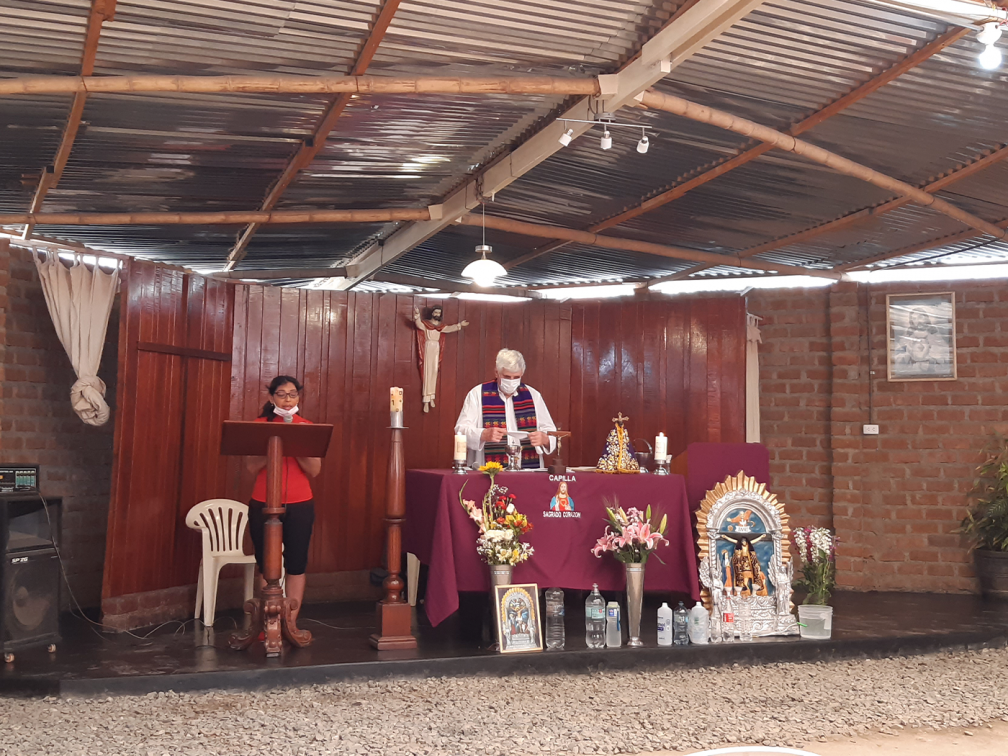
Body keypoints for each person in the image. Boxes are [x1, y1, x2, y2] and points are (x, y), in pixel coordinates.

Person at [245, 375, 321, 623]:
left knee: (296, 563)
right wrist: (276, 440)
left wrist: (294, 439)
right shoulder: (259, 424)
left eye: (293, 394)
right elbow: (251, 466)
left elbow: (314, 470)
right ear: (271, 397)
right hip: (264, 502)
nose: (288, 400)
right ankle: (270, 620)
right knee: (267, 565)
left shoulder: (306, 425)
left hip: (300, 503)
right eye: (281, 394)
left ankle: (290, 621)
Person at [454, 348, 557, 469]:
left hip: (527, 471)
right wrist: (483, 434)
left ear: (522, 374)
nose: (512, 381)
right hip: (488, 471)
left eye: (516, 377)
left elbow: (551, 432)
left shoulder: (533, 396)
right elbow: (461, 430)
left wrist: (545, 439)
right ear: (496, 373)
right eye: (507, 377)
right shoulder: (477, 394)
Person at [414, 305, 469, 413]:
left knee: (434, 372)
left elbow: (449, 328)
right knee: (427, 372)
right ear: (432, 313)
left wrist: (459, 325)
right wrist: (417, 316)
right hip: (428, 347)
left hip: (436, 348)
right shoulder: (426, 324)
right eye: (436, 313)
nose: (437, 315)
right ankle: (426, 400)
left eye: (439, 313)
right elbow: (419, 324)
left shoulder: (440, 326)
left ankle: (431, 397)